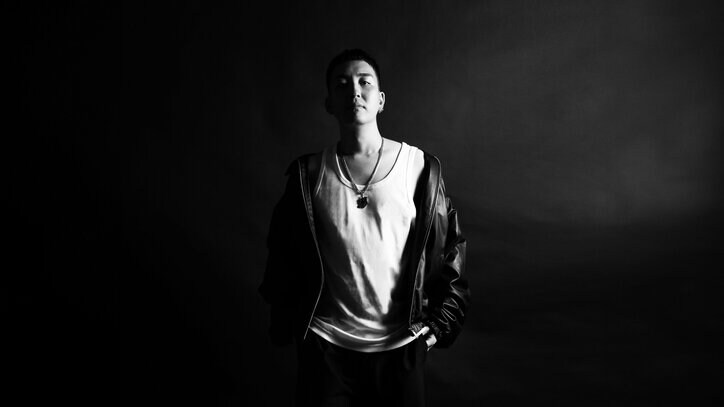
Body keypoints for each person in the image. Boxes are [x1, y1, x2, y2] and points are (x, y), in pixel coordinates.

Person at [259, 48, 470, 407]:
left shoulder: (418, 167)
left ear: (381, 100)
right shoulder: (309, 174)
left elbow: (451, 248)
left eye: (364, 82)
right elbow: (282, 254)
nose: (354, 91)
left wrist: (440, 325)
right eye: (342, 85)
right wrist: (290, 323)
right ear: (329, 103)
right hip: (327, 348)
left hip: (401, 347)